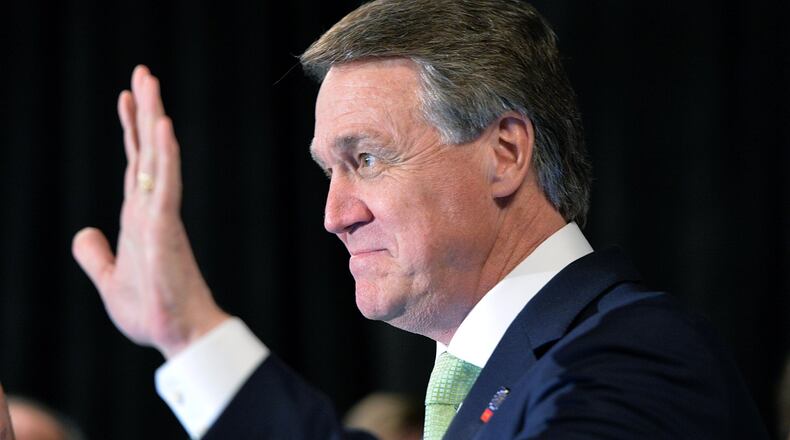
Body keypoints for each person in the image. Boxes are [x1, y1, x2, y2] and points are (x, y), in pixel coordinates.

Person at [0, 0, 769, 439]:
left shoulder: (635, 357)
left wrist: (194, 332)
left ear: (504, 152)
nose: (335, 215)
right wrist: (181, 328)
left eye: (365, 158)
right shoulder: (505, 379)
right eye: (326, 171)